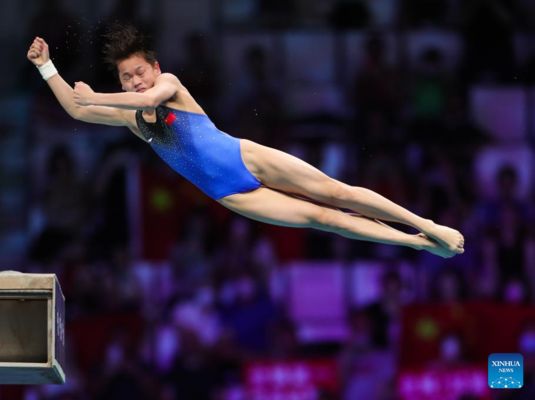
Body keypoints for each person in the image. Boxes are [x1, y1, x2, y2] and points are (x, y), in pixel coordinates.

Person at [26, 24, 465, 259]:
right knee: (324, 219)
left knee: (337, 193)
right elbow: (76, 109)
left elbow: (130, 98)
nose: (136, 81)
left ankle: (428, 224)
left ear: (155, 68)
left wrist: (98, 94)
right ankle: (420, 244)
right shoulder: (133, 122)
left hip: (246, 157)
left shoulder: (169, 85)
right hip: (232, 195)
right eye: (127, 77)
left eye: (140, 72)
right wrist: (48, 68)